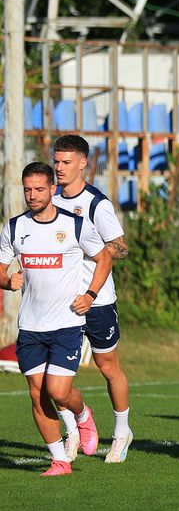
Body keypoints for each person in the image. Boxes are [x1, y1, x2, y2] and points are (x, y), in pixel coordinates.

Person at [0, 162, 112, 476]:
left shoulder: (76, 225)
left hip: (66, 324)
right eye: (27, 189)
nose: (33, 195)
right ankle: (60, 460)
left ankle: (82, 416)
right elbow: (1, 267)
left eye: (39, 189)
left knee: (58, 391)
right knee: (37, 394)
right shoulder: (14, 227)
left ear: (52, 189)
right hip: (30, 327)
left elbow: (104, 258)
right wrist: (8, 281)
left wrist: (90, 295)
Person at [51, 134, 134, 463]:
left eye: (66, 162)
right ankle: (73, 429)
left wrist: (88, 248)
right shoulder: (50, 200)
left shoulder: (96, 203)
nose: (59, 167)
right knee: (54, 374)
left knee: (107, 366)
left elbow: (122, 248)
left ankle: (122, 432)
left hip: (97, 301)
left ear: (82, 164)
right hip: (61, 303)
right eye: (56, 161)